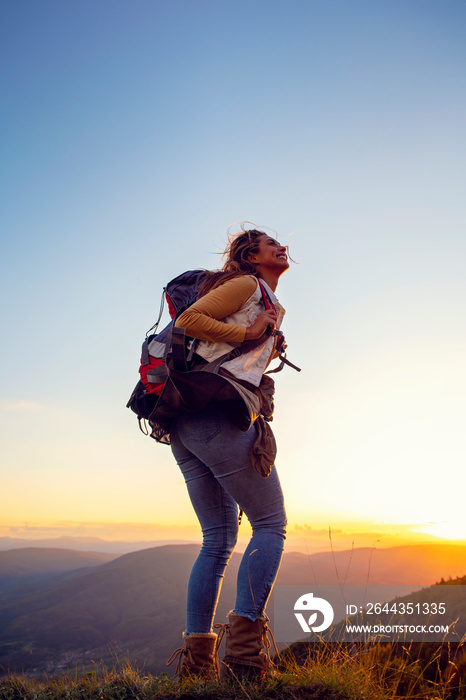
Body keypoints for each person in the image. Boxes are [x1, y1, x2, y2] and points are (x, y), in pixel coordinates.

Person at [166, 224, 290, 680]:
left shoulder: (266, 299)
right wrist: (250, 333)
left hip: (186, 423)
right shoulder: (244, 285)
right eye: (272, 244)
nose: (283, 247)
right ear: (251, 257)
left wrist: (262, 337)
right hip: (214, 414)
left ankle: (198, 668)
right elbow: (189, 321)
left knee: (217, 540)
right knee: (271, 525)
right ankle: (244, 658)